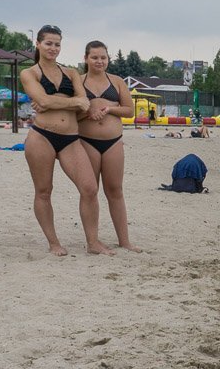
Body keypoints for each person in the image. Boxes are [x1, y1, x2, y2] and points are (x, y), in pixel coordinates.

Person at [19, 25, 114, 256]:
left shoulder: (71, 73)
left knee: (90, 188)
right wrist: (64, 102)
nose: (53, 48)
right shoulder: (29, 73)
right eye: (48, 43)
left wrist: (51, 101)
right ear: (38, 44)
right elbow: (47, 100)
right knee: (43, 191)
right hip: (42, 136)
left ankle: (93, 242)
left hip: (71, 139)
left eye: (57, 44)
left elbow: (83, 103)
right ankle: (53, 243)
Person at [78, 40, 141, 252]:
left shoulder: (117, 82)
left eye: (103, 57)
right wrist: (88, 112)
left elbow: (129, 111)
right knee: (90, 191)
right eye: (94, 57)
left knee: (115, 190)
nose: (99, 61)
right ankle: (92, 242)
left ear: (108, 59)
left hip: (113, 141)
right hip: (87, 141)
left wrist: (110, 109)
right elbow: (71, 111)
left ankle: (124, 241)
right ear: (85, 58)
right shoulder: (78, 81)